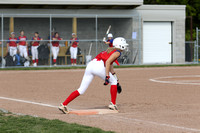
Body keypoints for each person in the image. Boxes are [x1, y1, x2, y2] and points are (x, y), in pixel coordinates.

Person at [58, 37, 129, 114]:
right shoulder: (117, 52)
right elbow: (108, 62)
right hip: (99, 66)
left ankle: (63, 104)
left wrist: (116, 79)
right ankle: (113, 104)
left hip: (91, 65)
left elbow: (110, 66)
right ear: (120, 45)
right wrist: (107, 76)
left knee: (81, 89)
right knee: (113, 82)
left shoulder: (110, 50)